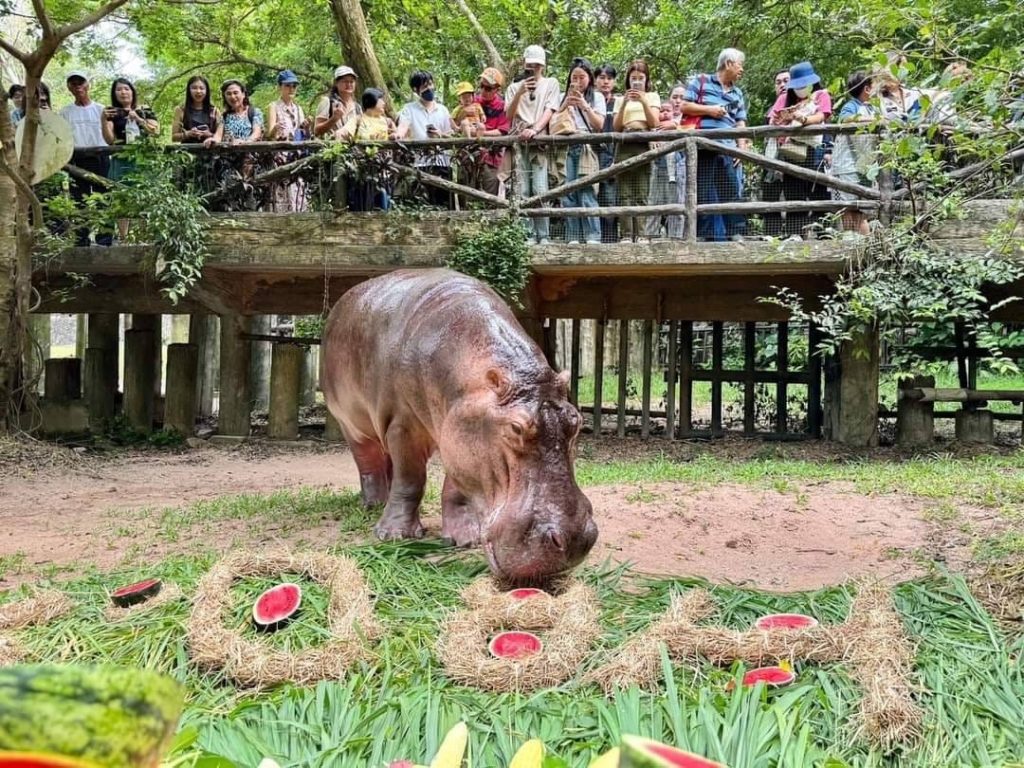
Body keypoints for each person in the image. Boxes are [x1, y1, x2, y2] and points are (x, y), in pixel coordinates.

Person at [681, 48, 750, 242]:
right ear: (728, 63)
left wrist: (741, 148)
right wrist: (710, 110)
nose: (742, 69)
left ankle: (735, 232)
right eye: (739, 64)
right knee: (701, 190)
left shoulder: (737, 93)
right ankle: (704, 235)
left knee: (730, 188)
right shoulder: (701, 81)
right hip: (702, 146)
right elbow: (685, 106)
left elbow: (740, 122)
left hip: (727, 147)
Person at [766, 61, 832, 238]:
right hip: (791, 149)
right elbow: (773, 120)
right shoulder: (784, 98)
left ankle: (823, 232)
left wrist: (803, 119)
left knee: (819, 190)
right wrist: (783, 118)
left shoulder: (821, 95)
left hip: (815, 149)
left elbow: (822, 115)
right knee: (793, 190)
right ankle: (795, 233)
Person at [505, 44, 561, 244]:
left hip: (539, 141)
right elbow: (509, 115)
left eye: (537, 65)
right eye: (530, 65)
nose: (534, 69)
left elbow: (550, 109)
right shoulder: (513, 88)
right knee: (522, 190)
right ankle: (526, 234)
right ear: (524, 65)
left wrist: (535, 129)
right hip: (519, 142)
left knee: (540, 188)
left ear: (543, 66)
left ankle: (543, 235)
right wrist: (520, 91)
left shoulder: (551, 83)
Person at [101, 77, 159, 241]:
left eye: (126, 89)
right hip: (121, 160)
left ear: (132, 92)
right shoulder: (112, 112)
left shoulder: (145, 109)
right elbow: (109, 139)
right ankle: (124, 238)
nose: (123, 92)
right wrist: (103, 120)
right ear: (114, 93)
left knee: (144, 197)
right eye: (119, 89)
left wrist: (139, 119)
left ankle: (143, 236)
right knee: (122, 198)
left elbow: (155, 131)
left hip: (143, 160)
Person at [555, 57, 605, 245]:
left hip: (586, 147)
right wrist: (566, 103)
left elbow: (599, 125)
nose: (577, 81)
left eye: (581, 77)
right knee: (568, 193)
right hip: (567, 146)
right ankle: (573, 237)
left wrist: (584, 105)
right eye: (574, 77)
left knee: (587, 191)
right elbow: (554, 122)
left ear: (589, 78)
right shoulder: (562, 96)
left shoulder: (597, 97)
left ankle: (593, 236)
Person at [60, 71, 111, 246]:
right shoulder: (65, 112)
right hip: (77, 160)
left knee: (103, 198)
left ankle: (105, 240)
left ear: (87, 85)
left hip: (100, 158)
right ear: (69, 88)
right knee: (79, 200)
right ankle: (81, 240)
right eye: (73, 83)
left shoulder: (101, 109)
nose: (77, 86)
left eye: (80, 82)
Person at [612, 59, 660, 243]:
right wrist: (624, 102)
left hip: (643, 143)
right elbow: (616, 127)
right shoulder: (619, 99)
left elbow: (654, 123)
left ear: (646, 79)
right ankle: (625, 234)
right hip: (624, 143)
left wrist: (643, 101)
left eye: (641, 78)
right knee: (625, 193)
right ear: (628, 79)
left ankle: (641, 234)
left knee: (642, 191)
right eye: (634, 78)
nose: (637, 81)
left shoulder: (652, 96)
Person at [395, 69, 455, 208]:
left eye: (430, 84)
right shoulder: (409, 109)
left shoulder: (443, 110)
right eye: (424, 86)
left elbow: (451, 133)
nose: (429, 88)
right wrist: (398, 135)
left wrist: (439, 135)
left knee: (444, 205)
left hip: (442, 163)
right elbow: (402, 127)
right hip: (419, 163)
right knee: (422, 206)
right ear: (416, 90)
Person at [830, 71, 877, 236]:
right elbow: (846, 120)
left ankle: (861, 246)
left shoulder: (873, 108)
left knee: (861, 212)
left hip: (865, 167)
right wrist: (875, 122)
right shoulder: (851, 106)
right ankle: (856, 246)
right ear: (867, 89)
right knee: (850, 209)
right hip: (847, 166)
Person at [337, 88, 396, 211]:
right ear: (372, 100)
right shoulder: (358, 119)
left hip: (383, 173)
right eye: (381, 99)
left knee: (384, 206)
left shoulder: (387, 121)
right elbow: (344, 132)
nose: (384, 103)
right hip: (363, 173)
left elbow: (399, 136)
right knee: (363, 208)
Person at [644, 84, 687, 240]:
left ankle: (676, 238)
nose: (677, 101)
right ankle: (651, 237)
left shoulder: (687, 119)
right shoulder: (657, 122)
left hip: (679, 167)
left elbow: (692, 130)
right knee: (654, 202)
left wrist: (675, 125)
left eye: (682, 98)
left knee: (677, 203)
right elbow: (651, 135)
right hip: (658, 166)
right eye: (674, 97)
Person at [266, 70, 311, 212]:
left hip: (296, 155)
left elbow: (304, 135)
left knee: (297, 191)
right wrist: (276, 128)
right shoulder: (274, 106)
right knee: (281, 191)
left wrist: (306, 127)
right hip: (280, 155)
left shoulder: (298, 109)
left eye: (294, 86)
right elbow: (269, 134)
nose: (291, 89)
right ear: (280, 87)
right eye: (287, 85)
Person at [472, 67, 511, 196]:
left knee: (489, 197)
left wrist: (483, 133)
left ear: (497, 89)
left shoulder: (502, 106)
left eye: (488, 88)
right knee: (466, 195)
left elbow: (503, 131)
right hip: (470, 155)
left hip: (491, 158)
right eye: (481, 86)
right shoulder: (472, 101)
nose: (483, 90)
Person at [594, 63, 619, 242]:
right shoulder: (591, 101)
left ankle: (610, 240)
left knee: (610, 199)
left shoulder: (618, 102)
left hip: (613, 155)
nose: (605, 82)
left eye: (609, 78)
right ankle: (594, 238)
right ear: (595, 80)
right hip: (592, 155)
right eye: (602, 78)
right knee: (591, 197)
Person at [204, 80, 264, 145]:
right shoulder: (225, 116)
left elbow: (257, 133)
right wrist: (213, 140)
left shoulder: (255, 112)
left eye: (235, 93)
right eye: (228, 94)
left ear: (243, 94)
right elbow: (218, 135)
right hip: (229, 153)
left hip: (249, 152)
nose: (232, 97)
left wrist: (246, 142)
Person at [315, 65, 362, 139]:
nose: (349, 84)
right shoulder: (327, 102)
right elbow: (317, 131)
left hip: (353, 149)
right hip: (332, 149)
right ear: (336, 83)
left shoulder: (357, 107)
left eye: (351, 81)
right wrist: (334, 119)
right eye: (345, 81)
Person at [172, 76, 219, 143]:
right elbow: (174, 137)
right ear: (189, 90)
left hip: (211, 150)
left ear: (207, 91)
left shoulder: (214, 111)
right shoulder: (180, 110)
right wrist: (188, 134)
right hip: (187, 151)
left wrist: (209, 134)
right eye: (194, 88)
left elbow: (222, 136)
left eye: (202, 88)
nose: (198, 91)